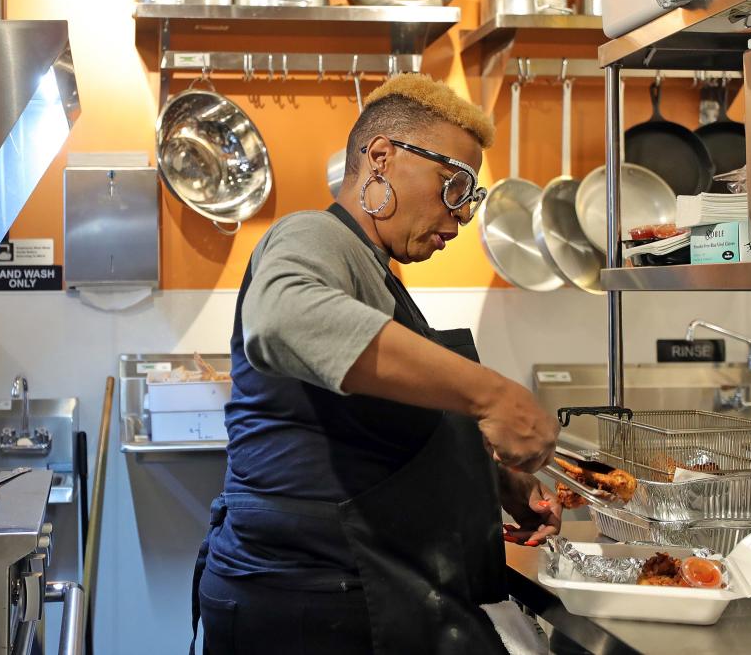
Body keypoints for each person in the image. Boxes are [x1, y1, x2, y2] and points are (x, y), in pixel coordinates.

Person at [190, 74, 561, 655]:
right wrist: (493, 395)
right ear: (381, 158)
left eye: (470, 195)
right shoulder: (313, 234)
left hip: (357, 588)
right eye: (452, 184)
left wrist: (494, 482)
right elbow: (284, 318)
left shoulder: (374, 269)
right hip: (303, 606)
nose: (461, 214)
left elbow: (374, 424)